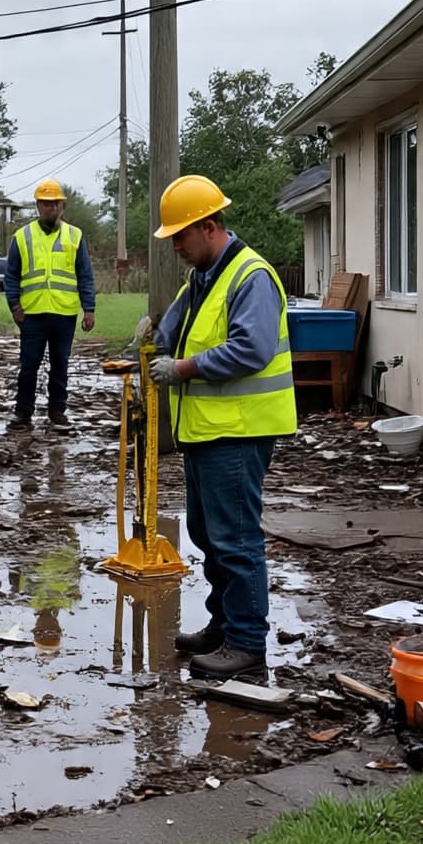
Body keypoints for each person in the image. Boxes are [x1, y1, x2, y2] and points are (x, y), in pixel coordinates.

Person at [149, 174, 296, 679]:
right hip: (207, 429)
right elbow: (177, 324)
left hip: (238, 429)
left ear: (209, 227)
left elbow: (251, 349)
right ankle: (226, 626)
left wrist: (183, 368)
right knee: (207, 534)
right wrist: (155, 339)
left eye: (181, 237)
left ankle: (247, 644)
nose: (176, 248)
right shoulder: (204, 277)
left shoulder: (250, 277)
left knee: (234, 539)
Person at [3, 178, 96, 426]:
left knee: (60, 365)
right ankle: (23, 412)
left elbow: (85, 275)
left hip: (64, 314)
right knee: (28, 366)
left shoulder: (75, 236)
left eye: (55, 203)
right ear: (38, 206)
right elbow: (11, 276)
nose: (51, 207)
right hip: (32, 314)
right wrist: (14, 306)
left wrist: (89, 309)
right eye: (46, 203)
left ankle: (57, 411)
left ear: (62, 206)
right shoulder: (22, 237)